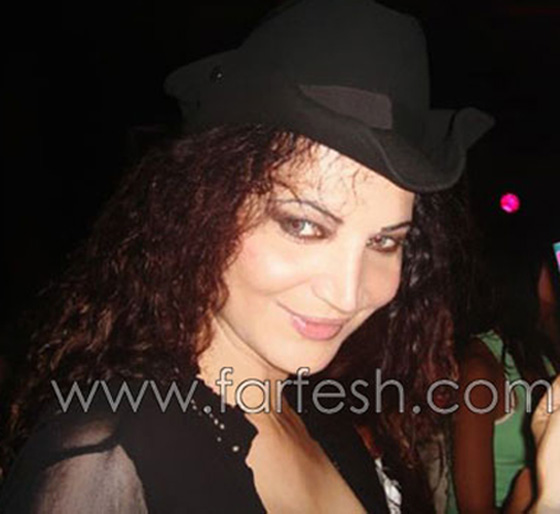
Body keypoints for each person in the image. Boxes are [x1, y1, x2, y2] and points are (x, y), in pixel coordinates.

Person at [0, 0, 494, 512]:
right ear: (203, 208)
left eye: (384, 242)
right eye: (303, 226)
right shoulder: (109, 462)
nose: (347, 294)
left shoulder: (315, 409)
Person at [447, 250, 559, 513]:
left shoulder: (538, 352)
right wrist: (528, 497)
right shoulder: (480, 369)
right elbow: (473, 509)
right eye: (549, 271)